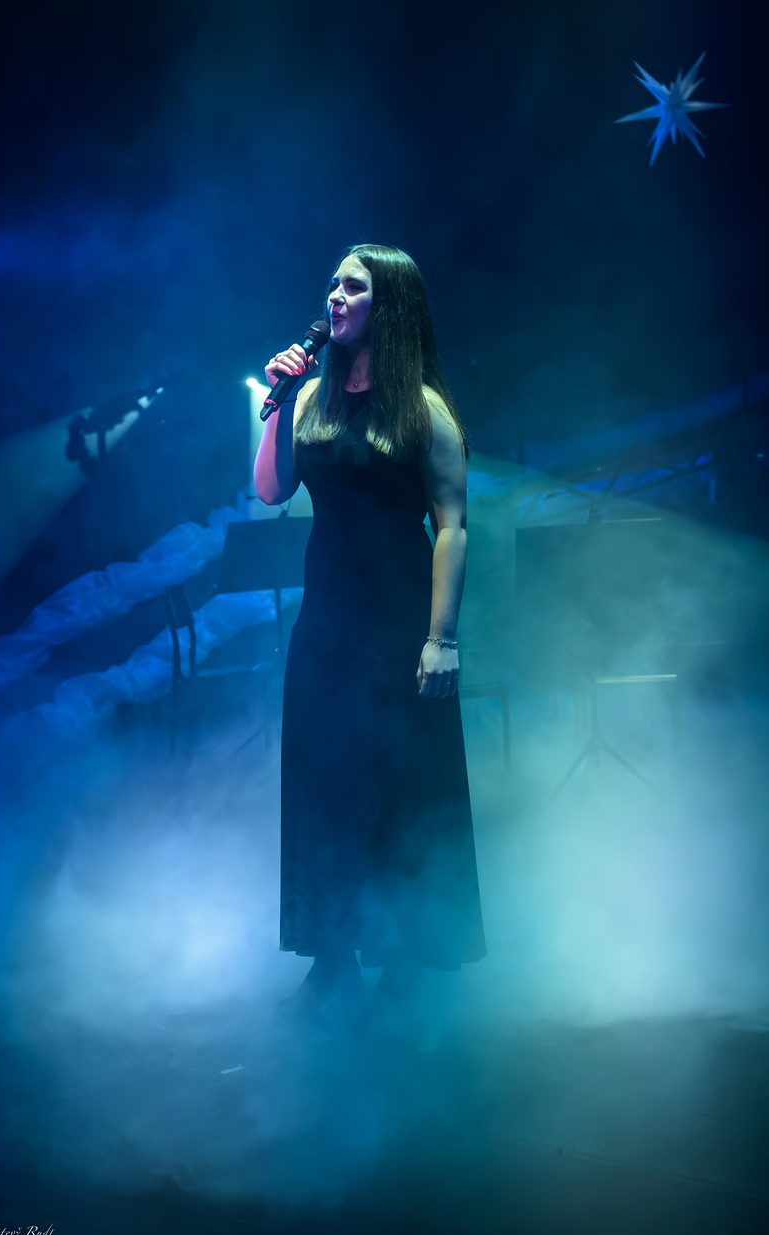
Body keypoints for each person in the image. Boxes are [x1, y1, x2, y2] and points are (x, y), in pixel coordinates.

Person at [254, 244, 486, 1024]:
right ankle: (332, 959)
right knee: (325, 785)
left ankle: (408, 964)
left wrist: (441, 637)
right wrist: (280, 400)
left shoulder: (423, 409)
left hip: (398, 623)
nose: (335, 295)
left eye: (353, 286)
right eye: (332, 283)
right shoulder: (312, 398)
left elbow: (452, 525)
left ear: (388, 306)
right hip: (326, 622)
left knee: (401, 787)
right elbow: (270, 490)